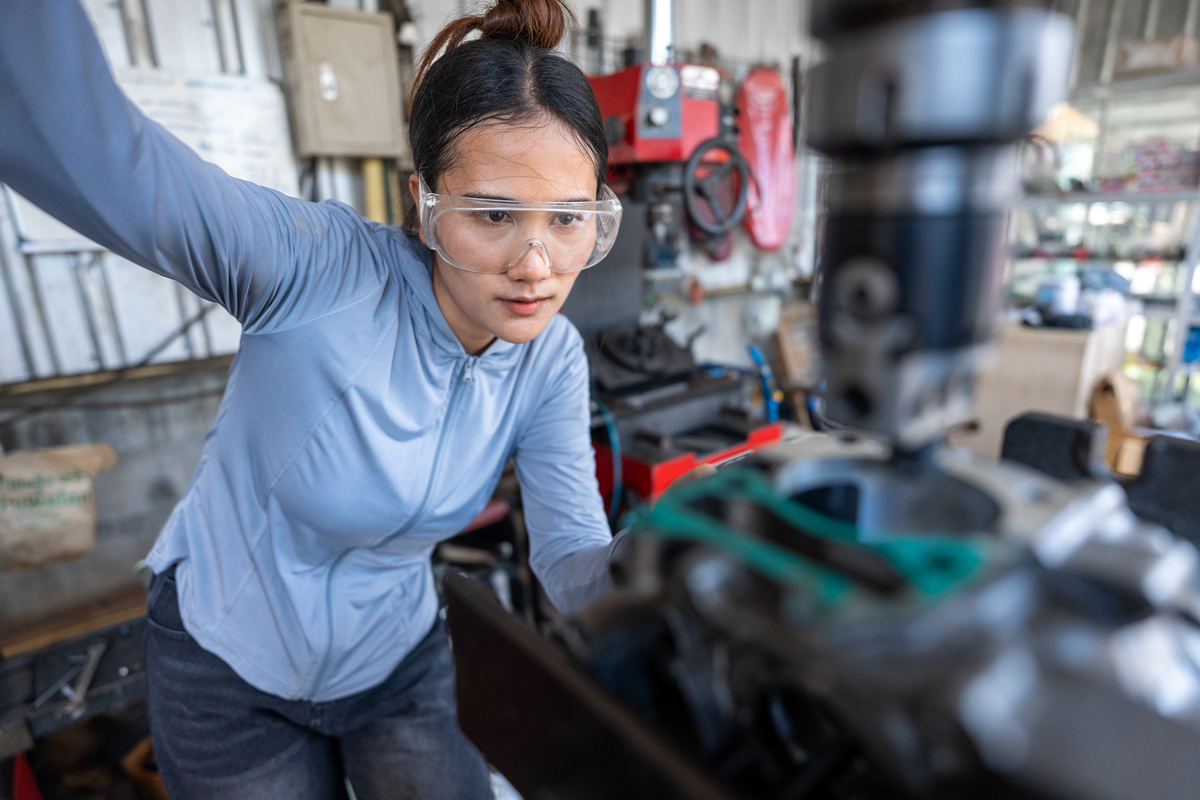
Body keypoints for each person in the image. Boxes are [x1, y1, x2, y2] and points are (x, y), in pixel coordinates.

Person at [0, 0, 634, 796]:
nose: (537, 265)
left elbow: (572, 563)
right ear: (426, 202)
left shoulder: (552, 361)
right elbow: (101, 159)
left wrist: (660, 561)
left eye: (569, 219)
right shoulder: (315, 271)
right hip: (228, 664)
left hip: (395, 657)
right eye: (494, 214)